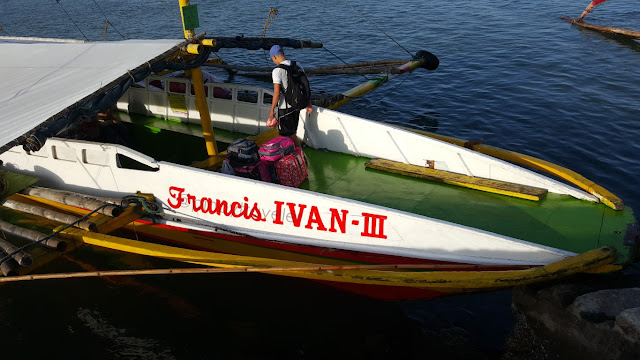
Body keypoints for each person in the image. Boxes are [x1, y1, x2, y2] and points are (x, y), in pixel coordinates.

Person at [267, 45, 313, 149]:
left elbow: (277, 93)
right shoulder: (297, 65)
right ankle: (297, 156)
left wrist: (271, 111)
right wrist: (308, 103)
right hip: (297, 105)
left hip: (285, 108)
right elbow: (305, 86)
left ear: (274, 57)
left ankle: (298, 157)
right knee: (293, 133)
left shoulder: (277, 71)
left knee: (286, 135)